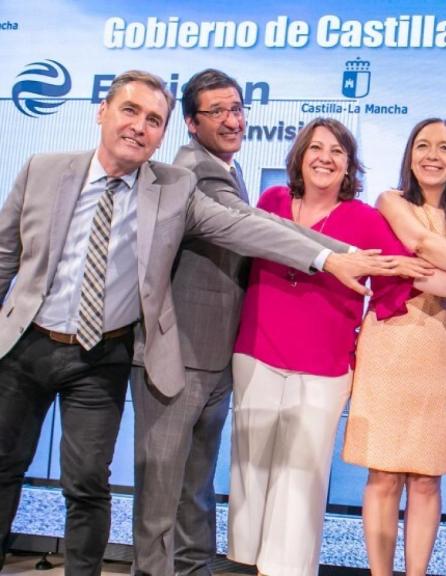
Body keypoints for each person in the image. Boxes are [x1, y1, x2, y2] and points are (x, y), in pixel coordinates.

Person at [0, 71, 391, 575]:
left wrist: (333, 257)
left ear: (164, 131)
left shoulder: (176, 186)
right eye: (130, 111)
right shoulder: (51, 169)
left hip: (104, 359)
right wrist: (335, 256)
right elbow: (5, 256)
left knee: (91, 486)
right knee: (10, 470)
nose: (140, 127)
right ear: (102, 111)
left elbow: (246, 227)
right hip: (38, 348)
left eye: (152, 120)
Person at [130, 68, 356, 576]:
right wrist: (336, 255)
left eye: (237, 108)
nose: (232, 120)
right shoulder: (195, 170)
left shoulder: (224, 167)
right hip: (178, 352)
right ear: (190, 123)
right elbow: (253, 227)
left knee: (193, 482)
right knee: (163, 485)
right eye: (217, 112)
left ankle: (191, 569)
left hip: (213, 357)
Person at [226, 118, 430, 576]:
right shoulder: (272, 201)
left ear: (348, 166)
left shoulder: (364, 219)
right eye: (316, 147)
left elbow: (401, 275)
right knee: (250, 471)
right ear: (299, 156)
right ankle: (244, 564)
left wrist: (377, 328)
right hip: (255, 351)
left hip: (324, 366)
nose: (325, 157)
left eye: (337, 151)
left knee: (301, 480)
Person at [343, 118, 446, 576]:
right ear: (409, 154)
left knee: (426, 477)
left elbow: (436, 273)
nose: (432, 155)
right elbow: (420, 245)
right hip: (388, 343)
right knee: (382, 473)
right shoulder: (390, 201)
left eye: (444, 147)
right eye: (423, 145)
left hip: (440, 347)